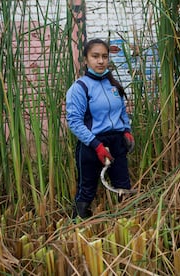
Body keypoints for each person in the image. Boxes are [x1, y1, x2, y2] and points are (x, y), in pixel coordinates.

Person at [65, 38, 135, 219]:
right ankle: (78, 229)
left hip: (117, 142)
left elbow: (122, 113)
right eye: (95, 56)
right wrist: (96, 146)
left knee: (123, 186)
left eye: (104, 56)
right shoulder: (80, 88)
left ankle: (125, 224)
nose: (101, 61)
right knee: (86, 190)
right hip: (92, 144)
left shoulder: (113, 85)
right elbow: (74, 122)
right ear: (86, 59)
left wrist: (126, 131)